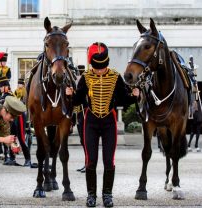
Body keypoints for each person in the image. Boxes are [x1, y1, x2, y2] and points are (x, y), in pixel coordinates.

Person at [66, 42, 139, 207]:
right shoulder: (85, 77)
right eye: (97, 68)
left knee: (108, 160)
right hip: (90, 121)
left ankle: (107, 195)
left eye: (102, 67)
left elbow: (122, 99)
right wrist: (71, 95)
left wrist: (134, 96)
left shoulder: (115, 76)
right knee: (90, 160)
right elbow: (78, 100)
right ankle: (91, 195)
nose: (99, 70)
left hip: (109, 122)